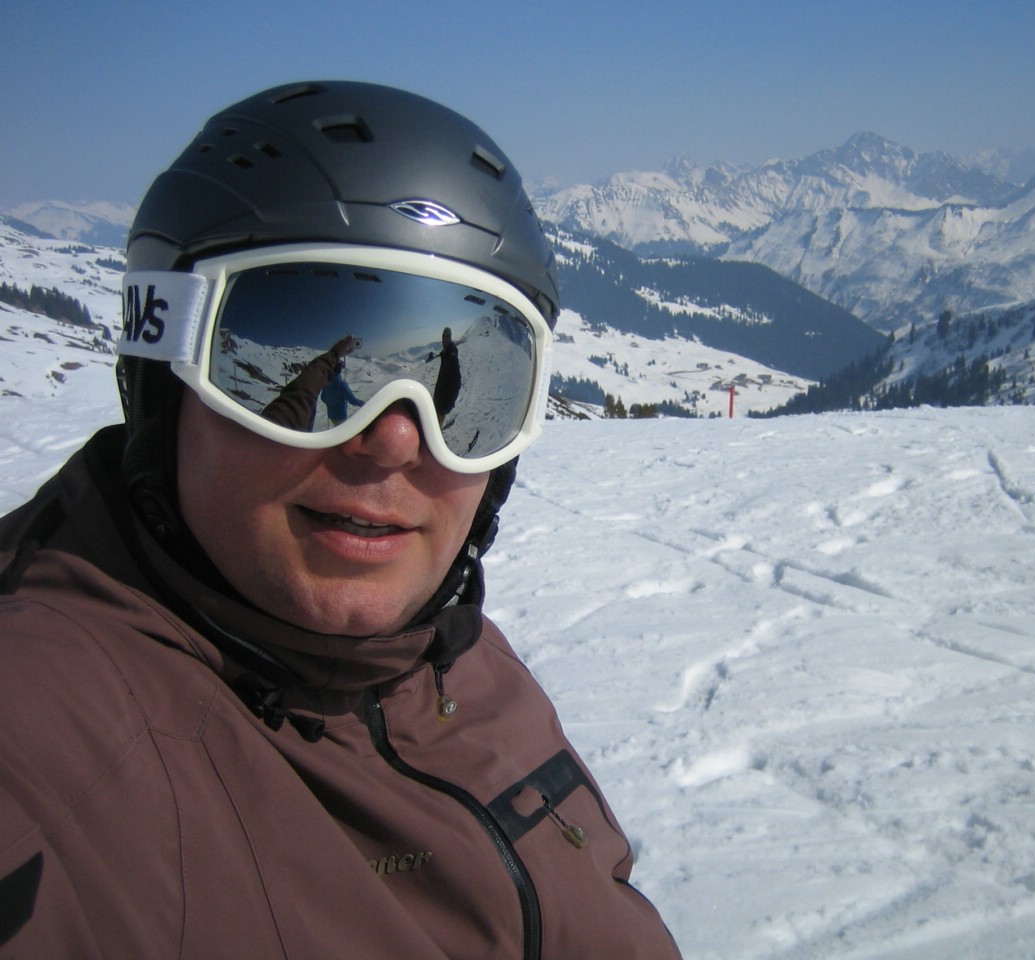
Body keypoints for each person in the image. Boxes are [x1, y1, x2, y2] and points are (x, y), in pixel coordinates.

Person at [0, 81, 682, 959]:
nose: (396, 441)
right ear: (162, 381)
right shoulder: (43, 725)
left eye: (465, 405)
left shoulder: (453, 662)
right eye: (293, 315)